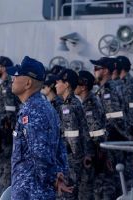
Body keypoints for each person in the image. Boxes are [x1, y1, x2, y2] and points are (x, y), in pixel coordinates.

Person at [7, 56, 71, 200]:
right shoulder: (46, 107)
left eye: (17, 75)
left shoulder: (32, 111)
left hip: (31, 190)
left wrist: (52, 178)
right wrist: (59, 173)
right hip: (39, 189)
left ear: (28, 82)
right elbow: (60, 146)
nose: (13, 79)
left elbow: (39, 152)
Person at [90, 57, 132, 198]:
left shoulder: (109, 91)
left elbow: (114, 121)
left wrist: (105, 145)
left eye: (96, 68)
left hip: (113, 145)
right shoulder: (104, 89)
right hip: (113, 143)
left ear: (106, 71)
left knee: (114, 184)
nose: (94, 71)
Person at [55, 68, 94, 200]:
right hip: (75, 159)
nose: (55, 84)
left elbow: (72, 137)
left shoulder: (67, 107)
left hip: (70, 159)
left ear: (66, 85)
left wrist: (73, 161)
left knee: (67, 195)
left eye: (58, 81)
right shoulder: (75, 102)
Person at [74, 70, 112, 200]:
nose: (74, 86)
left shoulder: (90, 105)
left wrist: (96, 153)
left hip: (93, 154)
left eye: (77, 84)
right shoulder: (87, 102)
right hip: (93, 152)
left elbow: (96, 132)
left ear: (83, 86)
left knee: (87, 191)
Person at [0, 56, 21, 193]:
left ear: (3, 68)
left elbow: (10, 111)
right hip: (6, 133)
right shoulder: (7, 84)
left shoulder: (6, 85)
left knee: (6, 170)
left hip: (7, 135)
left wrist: (8, 130)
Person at [117, 56, 133, 166]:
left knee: (128, 168)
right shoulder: (124, 83)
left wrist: (127, 133)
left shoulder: (128, 85)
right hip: (131, 132)